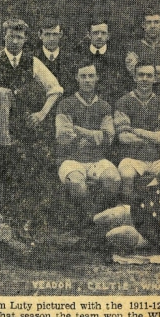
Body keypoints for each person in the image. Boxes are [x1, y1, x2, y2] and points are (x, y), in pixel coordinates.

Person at [0, 18, 63, 244]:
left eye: (20, 37)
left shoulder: (33, 62)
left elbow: (56, 89)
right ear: (4, 36)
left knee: (20, 181)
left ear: (26, 39)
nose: (15, 40)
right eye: (11, 36)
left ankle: (19, 228)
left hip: (21, 131)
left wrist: (41, 114)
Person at [56, 62, 121, 228]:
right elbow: (63, 136)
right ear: (77, 78)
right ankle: (89, 223)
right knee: (77, 183)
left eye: (91, 76)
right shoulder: (66, 104)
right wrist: (95, 135)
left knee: (113, 179)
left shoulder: (104, 106)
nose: (87, 80)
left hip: (97, 159)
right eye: (83, 76)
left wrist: (79, 130)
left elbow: (108, 137)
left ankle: (99, 220)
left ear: (97, 78)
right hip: (71, 159)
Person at [114, 64, 160, 201]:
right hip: (132, 157)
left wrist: (136, 131)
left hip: (158, 156)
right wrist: (153, 136)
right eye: (141, 75)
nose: (145, 79)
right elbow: (124, 137)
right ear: (134, 77)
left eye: (149, 75)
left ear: (155, 79)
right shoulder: (124, 102)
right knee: (126, 175)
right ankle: (128, 210)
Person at [75, 19, 125, 108]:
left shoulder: (118, 57)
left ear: (108, 36)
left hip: (111, 105)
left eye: (103, 33)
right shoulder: (78, 54)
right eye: (95, 33)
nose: (99, 36)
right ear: (89, 35)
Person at [125, 9, 160, 79]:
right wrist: (157, 68)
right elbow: (133, 72)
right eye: (148, 22)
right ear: (143, 25)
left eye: (156, 22)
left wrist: (147, 75)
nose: (152, 26)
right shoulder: (134, 47)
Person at [35, 17, 76, 97]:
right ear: (40, 35)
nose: (51, 39)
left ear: (60, 34)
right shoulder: (33, 58)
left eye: (55, 34)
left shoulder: (71, 59)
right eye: (47, 34)